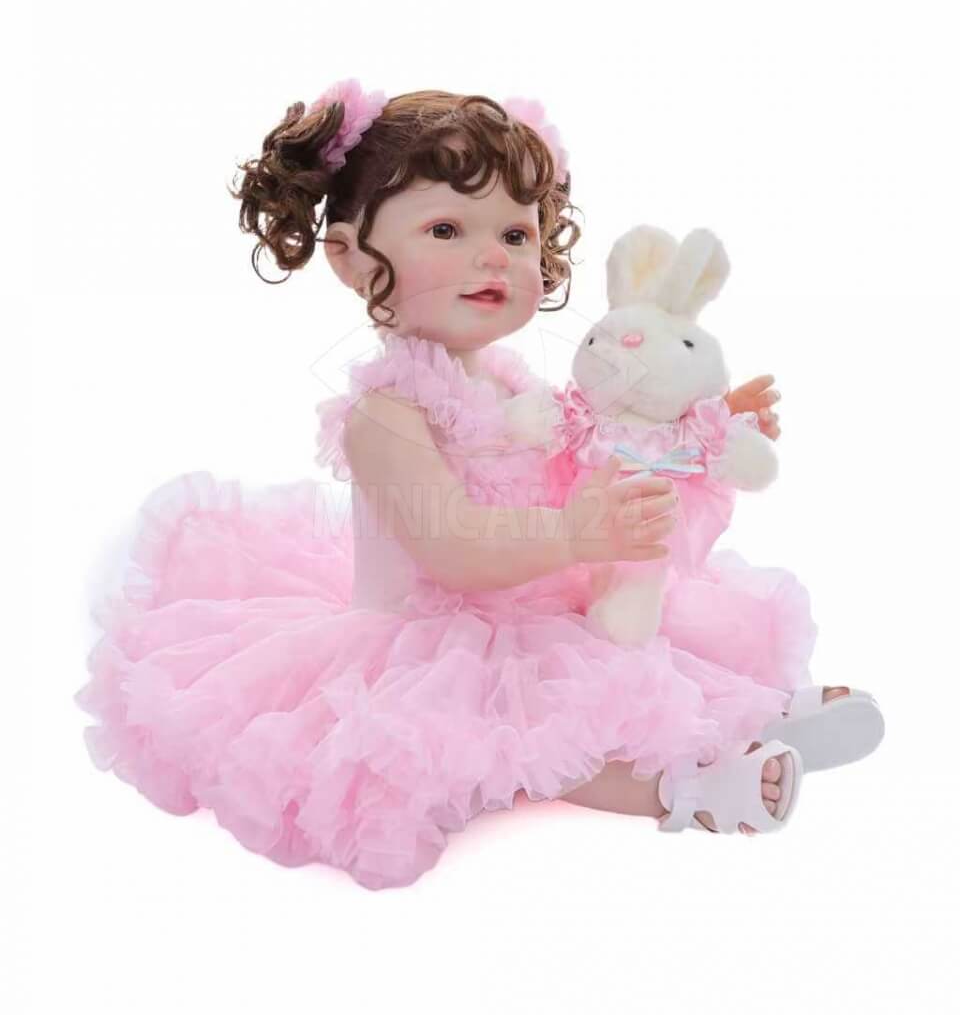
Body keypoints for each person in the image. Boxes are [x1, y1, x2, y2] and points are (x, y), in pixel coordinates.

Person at [74, 80, 883, 890]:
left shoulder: (507, 380)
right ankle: (684, 788)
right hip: (430, 632)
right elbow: (454, 546)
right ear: (350, 256)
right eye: (446, 229)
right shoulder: (387, 413)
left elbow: (593, 445)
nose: (493, 256)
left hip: (532, 597)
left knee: (622, 635)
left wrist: (698, 427)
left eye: (515, 233)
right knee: (529, 718)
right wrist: (574, 535)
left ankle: (744, 711)